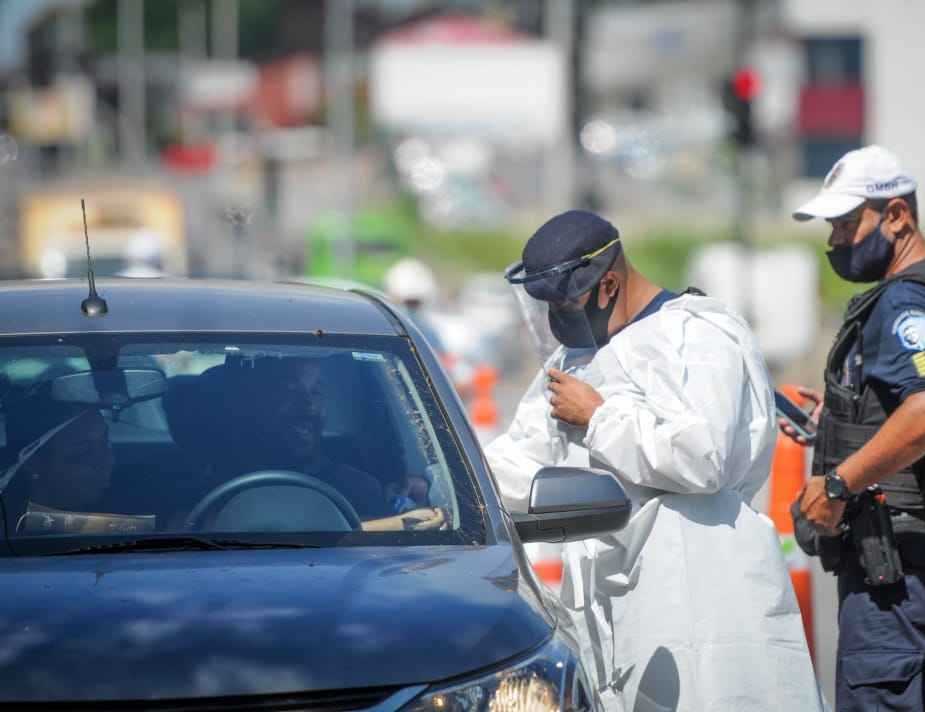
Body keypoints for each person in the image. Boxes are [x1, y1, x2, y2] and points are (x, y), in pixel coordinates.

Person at [486, 210, 822, 710]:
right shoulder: (574, 358)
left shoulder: (697, 335)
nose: (557, 317)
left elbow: (703, 458)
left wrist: (599, 419)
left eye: (564, 302)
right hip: (609, 596)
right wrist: (451, 485)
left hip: (698, 581)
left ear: (608, 285)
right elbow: (524, 456)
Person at [786, 145, 925, 710]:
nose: (835, 240)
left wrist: (838, 483)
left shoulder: (908, 300)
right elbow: (916, 404)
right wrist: (839, 423)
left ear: (899, 215)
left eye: (847, 224)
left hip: (899, 567)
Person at [231, 358, 445, 531]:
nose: (308, 404)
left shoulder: (358, 486)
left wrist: (416, 496)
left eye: (316, 392)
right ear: (258, 403)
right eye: (290, 390)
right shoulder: (219, 477)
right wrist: (395, 525)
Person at [2, 396, 154, 535]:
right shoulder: (12, 531)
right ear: (33, 463)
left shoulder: (124, 497)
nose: (106, 461)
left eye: (106, 442)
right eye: (83, 452)